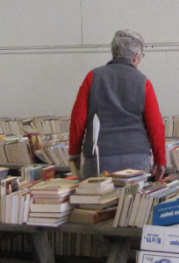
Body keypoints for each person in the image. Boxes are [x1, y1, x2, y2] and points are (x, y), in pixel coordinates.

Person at [68, 29, 167, 181]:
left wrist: (74, 153)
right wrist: (160, 161)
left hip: (100, 158)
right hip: (136, 158)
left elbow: (78, 119)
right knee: (133, 203)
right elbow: (156, 125)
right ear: (135, 57)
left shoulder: (93, 77)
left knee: (97, 202)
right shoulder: (143, 82)